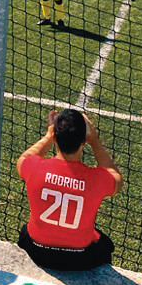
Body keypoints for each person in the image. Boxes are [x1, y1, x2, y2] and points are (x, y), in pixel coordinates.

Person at [16, 109, 123, 271]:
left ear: (56, 136)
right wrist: (95, 141)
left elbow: (23, 159)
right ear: (83, 141)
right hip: (79, 258)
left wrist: (48, 136)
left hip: (36, 251)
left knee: (25, 232)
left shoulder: (34, 168)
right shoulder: (96, 179)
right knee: (105, 245)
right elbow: (117, 179)